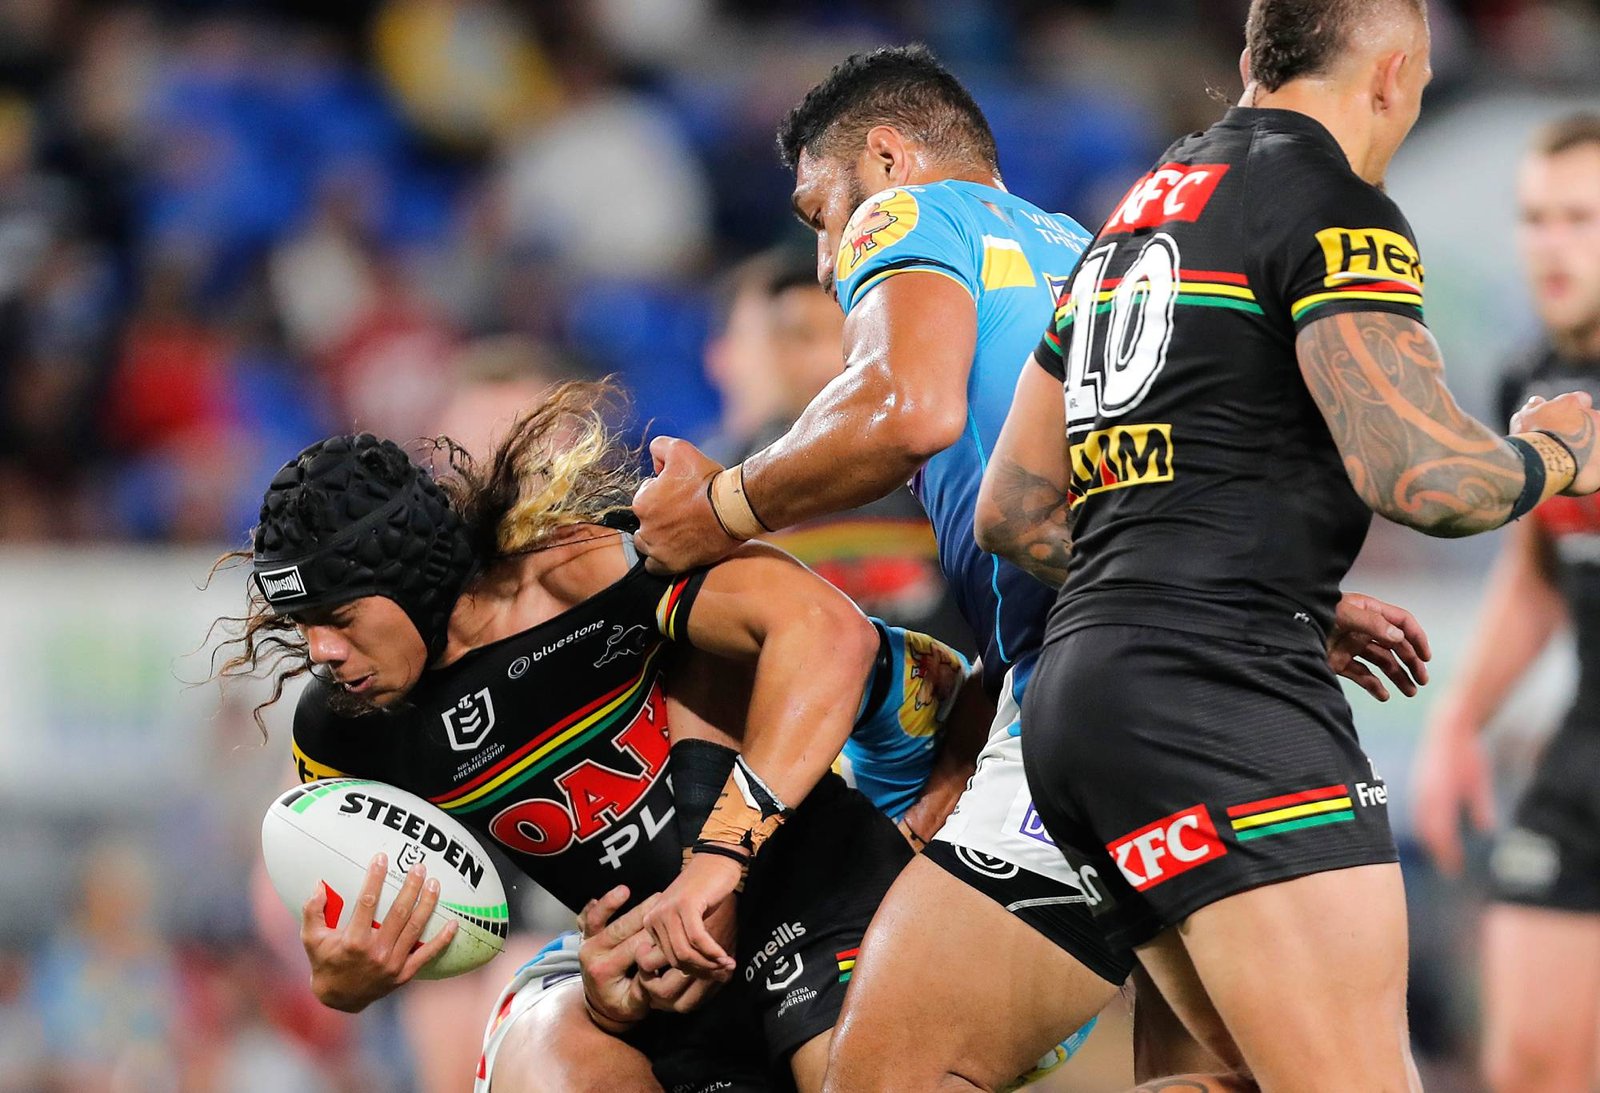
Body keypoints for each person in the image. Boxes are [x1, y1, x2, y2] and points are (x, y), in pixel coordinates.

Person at [632, 43, 1433, 1090]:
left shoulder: (908, 218)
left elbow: (905, 410)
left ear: (883, 157)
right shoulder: (1099, 250)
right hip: (1199, 682)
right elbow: (1157, 483)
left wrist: (720, 506)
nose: (826, 259)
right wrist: (1268, 605)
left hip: (1093, 698)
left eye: (817, 212)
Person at [975, 2, 1600, 1087]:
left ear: (1249, 62)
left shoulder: (1136, 217)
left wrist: (1222, 575)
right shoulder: (1329, 205)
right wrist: (1555, 452)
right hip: (1223, 706)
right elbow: (1424, 478)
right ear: (1398, 71)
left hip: (1085, 704)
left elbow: (1015, 511)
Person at [216, 381, 972, 1093]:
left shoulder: (581, 572)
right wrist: (346, 983)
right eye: (302, 626)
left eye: (339, 619)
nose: (319, 651)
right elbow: (364, 909)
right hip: (636, 973)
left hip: (811, 891)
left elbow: (830, 634)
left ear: (410, 578)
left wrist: (714, 864)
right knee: (550, 1061)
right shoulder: (343, 733)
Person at [1411, 112, 1600, 1093]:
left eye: (1578, 218)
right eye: (1534, 218)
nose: (1550, 244)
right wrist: (1457, 722)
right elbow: (1537, 568)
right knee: (1525, 1065)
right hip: (1583, 759)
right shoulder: (1534, 379)